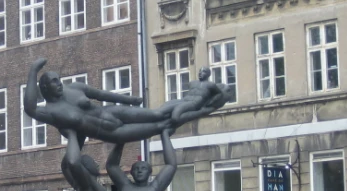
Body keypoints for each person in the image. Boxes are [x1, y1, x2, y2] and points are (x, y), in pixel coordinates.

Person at [23, 59, 231, 145]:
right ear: (44, 88)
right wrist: (33, 70)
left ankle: (192, 101)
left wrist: (130, 100)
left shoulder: (74, 89)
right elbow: (30, 108)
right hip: (111, 133)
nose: (59, 83)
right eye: (53, 82)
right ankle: (206, 109)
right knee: (162, 126)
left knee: (157, 113)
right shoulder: (50, 112)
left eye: (58, 79)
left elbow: (104, 94)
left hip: (113, 113)